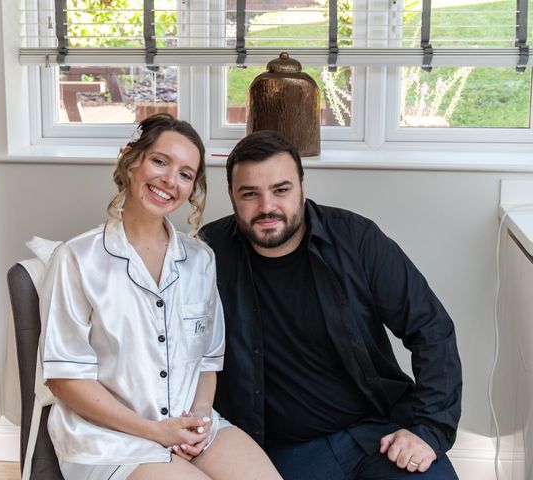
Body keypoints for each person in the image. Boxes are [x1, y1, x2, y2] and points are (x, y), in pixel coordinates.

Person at [199, 130, 462, 479]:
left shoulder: (356, 239)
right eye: (250, 194)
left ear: (302, 188)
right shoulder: (206, 256)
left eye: (281, 190)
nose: (267, 207)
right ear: (232, 196)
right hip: (281, 451)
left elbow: (430, 327)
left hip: (378, 434)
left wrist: (429, 430)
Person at [38, 114, 282, 480]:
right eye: (160, 161)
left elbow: (207, 362)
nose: (170, 180)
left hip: (187, 426)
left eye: (186, 174)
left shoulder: (200, 259)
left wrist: (197, 420)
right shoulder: (77, 259)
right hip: (109, 439)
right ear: (130, 160)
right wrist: (155, 431)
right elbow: (64, 378)